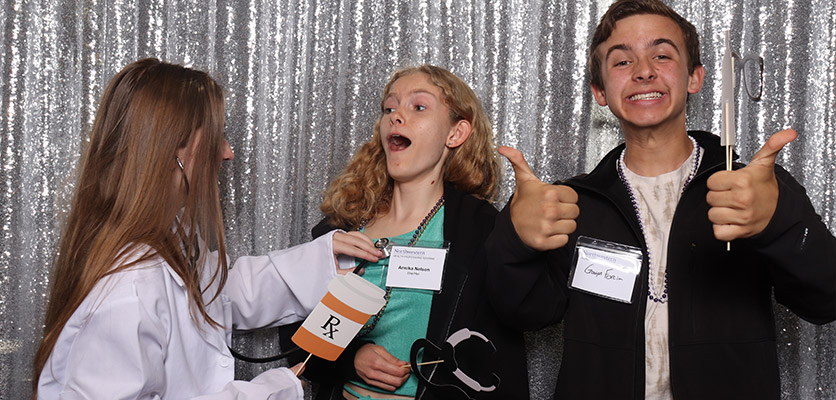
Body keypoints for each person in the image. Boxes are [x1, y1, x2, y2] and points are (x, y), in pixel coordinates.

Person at [486, 1, 836, 399]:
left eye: (662, 55)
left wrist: (780, 221)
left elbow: (825, 300)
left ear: (695, 77)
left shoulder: (752, 188)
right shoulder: (572, 203)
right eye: (621, 62)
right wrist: (514, 237)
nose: (644, 70)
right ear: (600, 91)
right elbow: (524, 313)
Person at [32, 58, 383, 399]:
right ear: (172, 152)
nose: (228, 153)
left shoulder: (168, 235)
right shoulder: (129, 288)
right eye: (218, 137)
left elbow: (220, 289)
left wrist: (321, 260)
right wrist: (267, 392)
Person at [297, 65, 528, 400]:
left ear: (456, 133)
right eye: (389, 108)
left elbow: (510, 336)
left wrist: (532, 238)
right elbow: (298, 336)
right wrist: (350, 360)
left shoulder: (481, 230)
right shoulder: (343, 226)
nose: (396, 117)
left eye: (418, 107)